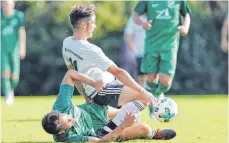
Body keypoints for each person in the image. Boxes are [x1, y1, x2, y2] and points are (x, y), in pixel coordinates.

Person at [62, 5, 157, 111]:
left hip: (102, 90)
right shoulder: (90, 49)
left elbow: (74, 73)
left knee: (130, 109)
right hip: (103, 90)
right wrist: (143, 91)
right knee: (143, 97)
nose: (95, 26)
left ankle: (117, 123)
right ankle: (111, 127)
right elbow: (118, 72)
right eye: (93, 22)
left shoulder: (67, 43)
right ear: (84, 25)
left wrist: (86, 97)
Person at [42, 70, 176, 142]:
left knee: (141, 101)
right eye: (69, 122)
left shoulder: (60, 106)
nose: (71, 118)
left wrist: (93, 83)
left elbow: (70, 74)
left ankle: (126, 123)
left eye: (67, 116)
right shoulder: (68, 139)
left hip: (98, 111)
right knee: (144, 129)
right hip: (103, 131)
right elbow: (101, 141)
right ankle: (153, 135)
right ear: (61, 131)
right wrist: (123, 125)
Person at [133, 0, 191, 117]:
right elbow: (135, 16)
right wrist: (142, 23)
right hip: (152, 44)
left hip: (170, 45)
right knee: (152, 77)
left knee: (165, 81)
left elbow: (186, 15)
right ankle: (152, 106)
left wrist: (185, 27)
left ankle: (158, 96)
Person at [1, 0, 26, 105]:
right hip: (2, 49)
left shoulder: (19, 16)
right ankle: (8, 94)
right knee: (5, 72)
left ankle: (11, 89)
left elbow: (22, 32)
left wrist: (22, 47)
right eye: (4, 4)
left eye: (8, 4)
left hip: (14, 49)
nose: (6, 6)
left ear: (13, 4)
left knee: (15, 76)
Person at [124, 14, 147, 86]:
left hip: (154, 51)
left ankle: (157, 94)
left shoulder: (155, 15)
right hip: (139, 53)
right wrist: (134, 50)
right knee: (142, 76)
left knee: (154, 74)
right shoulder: (134, 18)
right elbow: (128, 35)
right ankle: (144, 94)